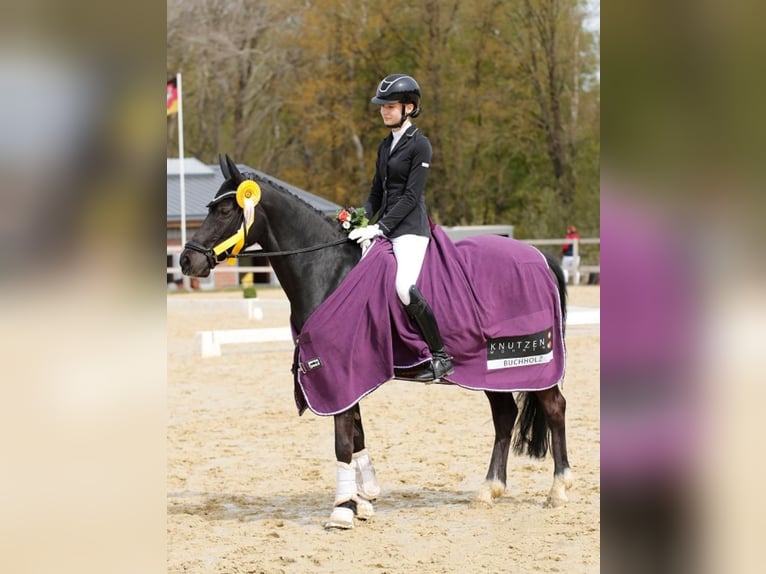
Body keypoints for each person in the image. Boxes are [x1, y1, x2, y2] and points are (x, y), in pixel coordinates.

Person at [348, 73, 453, 381]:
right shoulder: (384, 146)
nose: (384, 111)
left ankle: (441, 355)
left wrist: (379, 227)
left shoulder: (421, 145)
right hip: (385, 227)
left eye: (390, 106)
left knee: (403, 286)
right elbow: (376, 195)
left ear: (409, 107)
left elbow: (410, 196)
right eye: (382, 106)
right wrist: (359, 219)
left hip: (410, 229)